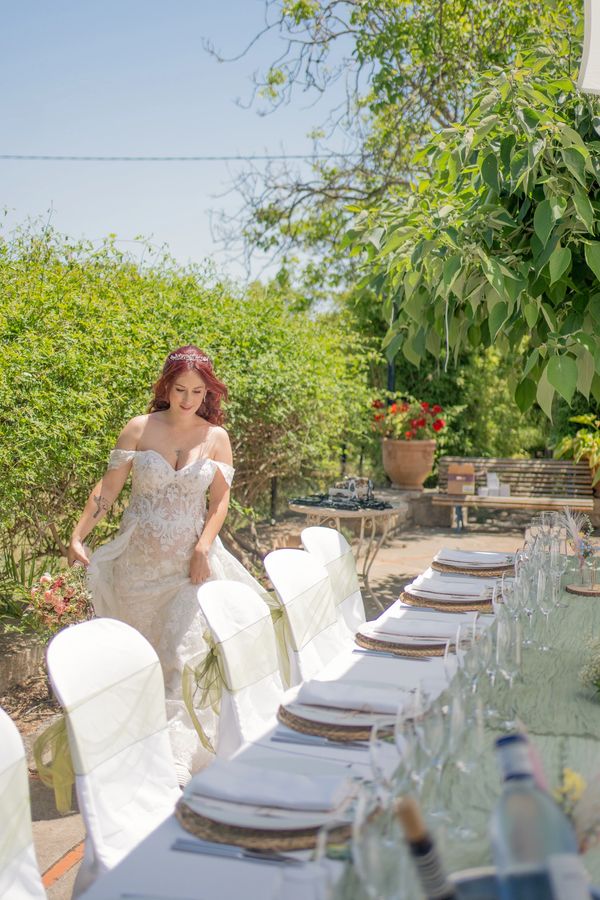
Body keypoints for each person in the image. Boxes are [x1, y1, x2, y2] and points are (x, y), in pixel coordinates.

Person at [67, 345, 264, 783]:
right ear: (166, 386)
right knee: (140, 660)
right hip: (137, 567)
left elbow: (220, 501)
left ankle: (176, 760)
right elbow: (109, 490)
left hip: (187, 569)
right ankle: (134, 748)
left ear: (208, 393)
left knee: (184, 655)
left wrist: (203, 547)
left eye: (197, 391)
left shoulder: (216, 438)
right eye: (180, 389)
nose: (188, 399)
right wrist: (79, 533)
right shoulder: (139, 429)